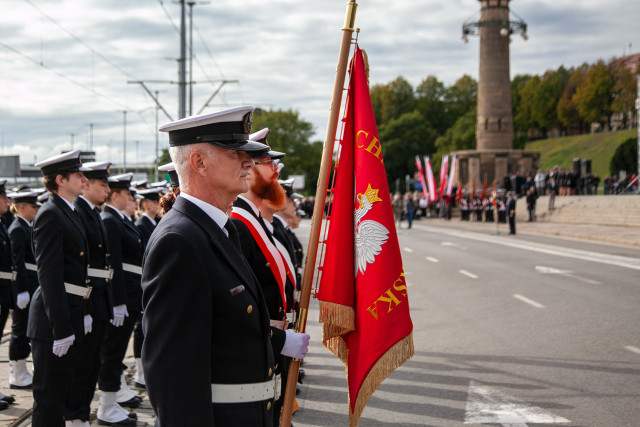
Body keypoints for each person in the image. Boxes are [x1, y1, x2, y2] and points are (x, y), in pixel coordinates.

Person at [142, 106, 309, 426]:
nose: (248, 161)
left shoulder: (222, 229)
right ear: (198, 162)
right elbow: (172, 377)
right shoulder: (178, 242)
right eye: (234, 153)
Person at [230, 127, 309, 425]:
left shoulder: (256, 220)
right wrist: (276, 338)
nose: (276, 171)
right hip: (260, 340)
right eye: (267, 162)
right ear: (247, 170)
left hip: (271, 337)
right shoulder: (239, 223)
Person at [28, 150, 91, 425]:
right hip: (52, 320)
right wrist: (62, 329)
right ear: (60, 180)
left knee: (64, 390)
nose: (83, 179)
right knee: (49, 397)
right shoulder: (50, 214)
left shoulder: (69, 211)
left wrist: (83, 311)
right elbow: (49, 276)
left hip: (71, 310)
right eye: (77, 175)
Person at [66, 161, 120, 426]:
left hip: (100, 299)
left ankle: (81, 412)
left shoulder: (93, 213)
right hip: (88, 300)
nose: (107, 190)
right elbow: (80, 266)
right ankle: (74, 414)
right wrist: (86, 308)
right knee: (82, 365)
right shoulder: (78, 212)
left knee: (92, 363)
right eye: (103, 184)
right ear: (86, 185)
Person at [97, 173, 143, 425]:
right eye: (127, 194)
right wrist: (117, 301)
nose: (131, 198)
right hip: (122, 294)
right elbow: (112, 263)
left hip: (131, 293)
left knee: (116, 350)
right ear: (116, 196)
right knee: (112, 352)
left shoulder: (119, 220)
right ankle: (106, 406)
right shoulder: (110, 220)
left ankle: (112, 402)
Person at [7, 190, 41, 391]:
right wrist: (20, 290)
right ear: (22, 208)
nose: (37, 209)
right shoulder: (18, 228)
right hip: (25, 285)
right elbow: (16, 262)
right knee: (20, 329)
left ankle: (21, 369)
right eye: (33, 206)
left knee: (26, 328)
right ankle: (17, 372)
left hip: (32, 282)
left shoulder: (26, 227)